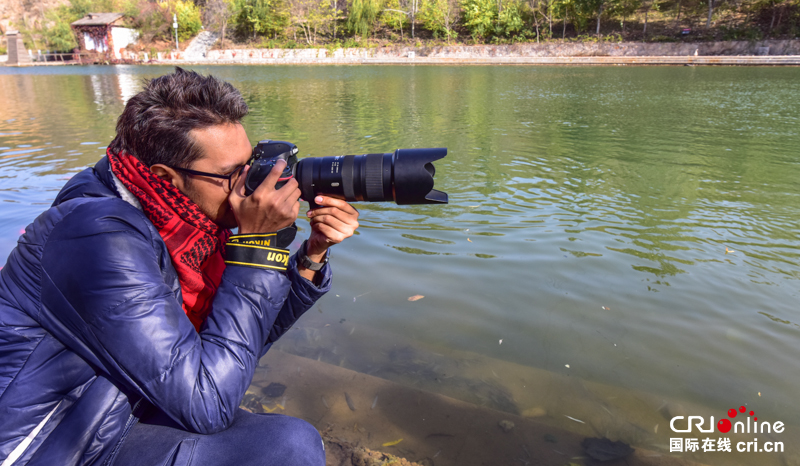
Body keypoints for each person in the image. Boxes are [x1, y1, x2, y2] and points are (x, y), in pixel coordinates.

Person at [0, 68, 360, 466]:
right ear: (165, 177)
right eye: (230, 175)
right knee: (286, 447)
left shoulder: (189, 229)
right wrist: (255, 245)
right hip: (58, 444)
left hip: (123, 412)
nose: (250, 186)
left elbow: (243, 341)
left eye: (250, 166)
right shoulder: (98, 236)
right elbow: (208, 402)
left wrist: (311, 255)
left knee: (286, 442)